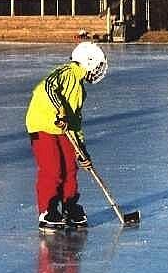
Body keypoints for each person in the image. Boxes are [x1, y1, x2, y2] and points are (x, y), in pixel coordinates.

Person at [26, 42, 108, 233]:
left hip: (62, 129)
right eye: (96, 66)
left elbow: (75, 121)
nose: (97, 71)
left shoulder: (81, 89)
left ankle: (69, 207)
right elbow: (47, 88)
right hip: (42, 125)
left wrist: (82, 150)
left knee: (70, 168)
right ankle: (48, 211)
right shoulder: (67, 72)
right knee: (52, 169)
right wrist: (59, 112)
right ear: (87, 61)